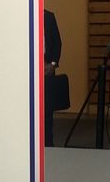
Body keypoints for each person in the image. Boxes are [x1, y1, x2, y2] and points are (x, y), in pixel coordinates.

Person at [44, 9, 62, 146]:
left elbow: (57, 42)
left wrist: (53, 64)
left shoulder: (49, 17)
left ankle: (48, 144)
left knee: (48, 109)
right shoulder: (23, 14)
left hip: (48, 67)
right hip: (28, 67)